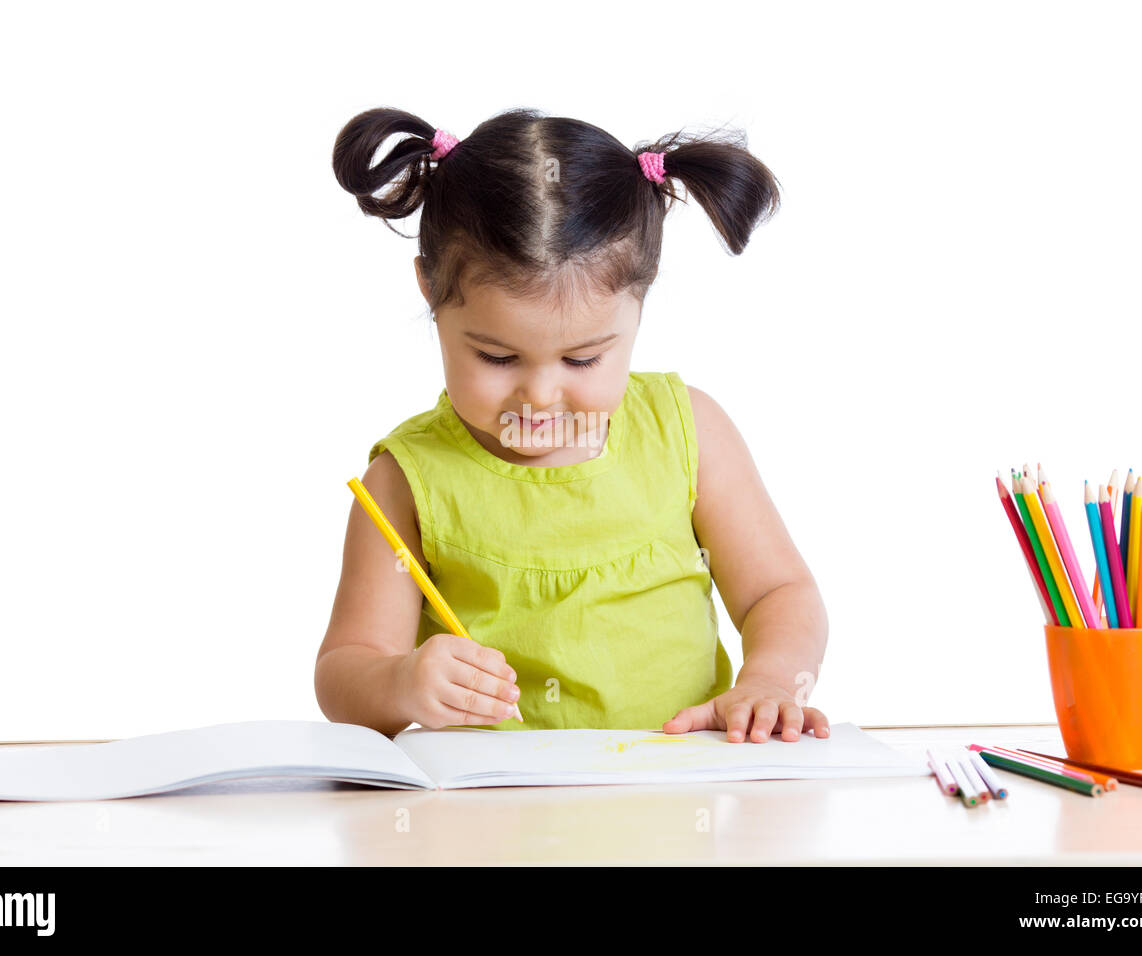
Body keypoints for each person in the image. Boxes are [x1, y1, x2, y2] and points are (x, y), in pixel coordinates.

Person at [316, 107, 829, 743]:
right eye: (497, 357)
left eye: (583, 358)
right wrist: (400, 683)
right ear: (429, 290)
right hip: (494, 819)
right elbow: (344, 674)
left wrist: (771, 680)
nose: (541, 395)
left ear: (640, 300)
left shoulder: (688, 431)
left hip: (679, 800)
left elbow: (778, 592)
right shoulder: (403, 483)